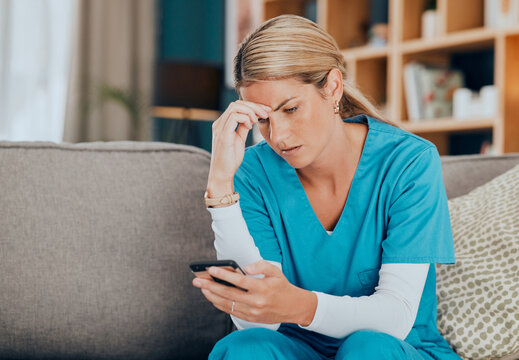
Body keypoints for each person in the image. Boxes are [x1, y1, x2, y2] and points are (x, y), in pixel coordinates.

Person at [192, 14, 461, 360]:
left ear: (332, 87)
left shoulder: (409, 162)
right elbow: (256, 324)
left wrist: (300, 306)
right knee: (243, 348)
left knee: (367, 349)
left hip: (394, 348)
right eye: (262, 119)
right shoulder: (252, 174)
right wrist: (220, 188)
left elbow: (396, 316)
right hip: (296, 349)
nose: (279, 136)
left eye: (290, 109)